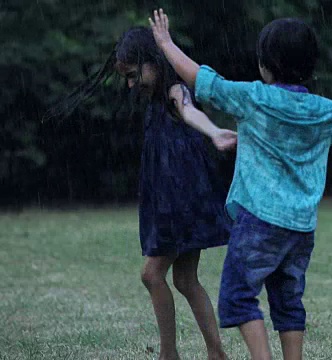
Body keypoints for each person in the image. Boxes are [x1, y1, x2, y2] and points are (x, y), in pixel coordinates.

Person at [150, 9, 332, 360]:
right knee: (287, 301)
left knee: (238, 297)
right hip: (300, 228)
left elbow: (201, 79)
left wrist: (165, 43)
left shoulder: (253, 98)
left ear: (264, 66)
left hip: (259, 221)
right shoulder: (324, 110)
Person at [51, 26, 233, 360]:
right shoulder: (154, 98)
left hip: (181, 196)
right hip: (173, 195)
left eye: (134, 75)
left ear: (153, 62)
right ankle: (215, 353)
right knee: (185, 279)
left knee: (152, 274)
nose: (131, 84)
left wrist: (215, 131)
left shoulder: (174, 89)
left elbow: (190, 110)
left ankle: (169, 355)